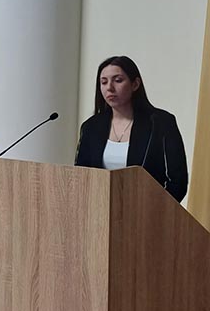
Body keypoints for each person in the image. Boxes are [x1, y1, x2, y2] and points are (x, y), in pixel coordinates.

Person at [74, 55, 188, 202]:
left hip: (147, 209)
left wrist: (155, 209)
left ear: (135, 84)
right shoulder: (91, 127)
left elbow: (178, 181)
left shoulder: (160, 122)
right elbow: (81, 176)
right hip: (100, 208)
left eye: (118, 80)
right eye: (104, 82)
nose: (109, 88)